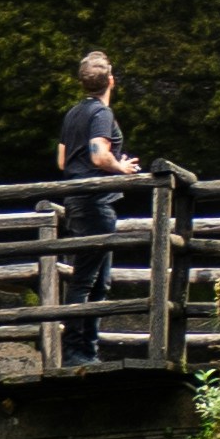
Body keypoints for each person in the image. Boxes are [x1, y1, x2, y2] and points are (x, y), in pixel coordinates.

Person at [53, 48, 141, 367]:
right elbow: (98, 155)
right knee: (87, 280)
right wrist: (122, 168)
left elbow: (64, 160)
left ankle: (87, 351)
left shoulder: (73, 114)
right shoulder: (101, 114)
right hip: (95, 203)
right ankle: (76, 353)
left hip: (77, 200)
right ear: (111, 81)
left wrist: (114, 163)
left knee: (98, 280)